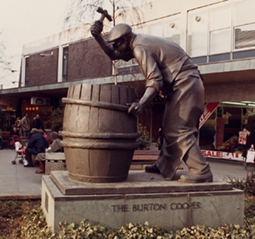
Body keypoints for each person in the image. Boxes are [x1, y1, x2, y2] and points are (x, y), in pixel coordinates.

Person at [90, 22, 213, 183]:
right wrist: (98, 37)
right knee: (169, 126)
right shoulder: (137, 41)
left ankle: (201, 170)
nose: (116, 49)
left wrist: (141, 103)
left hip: (186, 84)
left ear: (125, 40)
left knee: (179, 129)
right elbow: (114, 55)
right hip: (185, 83)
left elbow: (155, 80)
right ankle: (164, 165)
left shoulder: (140, 48)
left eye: (117, 44)